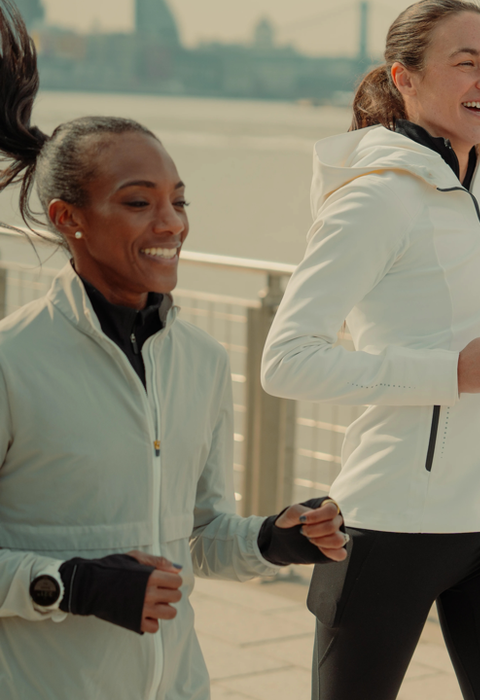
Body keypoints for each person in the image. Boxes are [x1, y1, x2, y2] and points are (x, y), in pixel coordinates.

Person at [0, 3, 348, 698]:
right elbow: (67, 577)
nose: (170, 224)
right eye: (137, 203)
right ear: (69, 220)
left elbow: (197, 531)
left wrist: (274, 538)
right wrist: (71, 584)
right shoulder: (12, 362)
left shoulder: (202, 359)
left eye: (178, 201)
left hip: (177, 685)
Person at [260, 2, 480, 698]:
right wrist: (449, 373)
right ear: (404, 77)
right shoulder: (375, 198)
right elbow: (287, 358)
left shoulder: (475, 189)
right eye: (465, 63)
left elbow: (443, 322)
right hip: (393, 521)